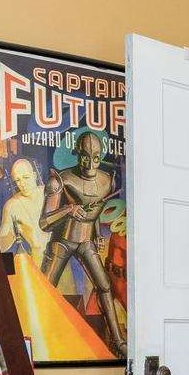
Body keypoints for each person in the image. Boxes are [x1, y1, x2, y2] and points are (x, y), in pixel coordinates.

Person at [40, 129, 125, 357]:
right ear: (77, 154)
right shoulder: (61, 180)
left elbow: (93, 211)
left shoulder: (107, 181)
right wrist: (68, 209)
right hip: (62, 241)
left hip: (86, 241)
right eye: (85, 157)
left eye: (95, 157)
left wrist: (96, 234)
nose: (90, 163)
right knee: (44, 289)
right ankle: (38, 338)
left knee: (104, 285)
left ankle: (117, 341)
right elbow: (44, 222)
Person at [0, 156, 48, 264]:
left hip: (62, 260)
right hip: (37, 264)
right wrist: (13, 233)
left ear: (34, 176)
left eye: (26, 177)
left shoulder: (49, 193)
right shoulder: (11, 206)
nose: (22, 184)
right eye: (17, 180)